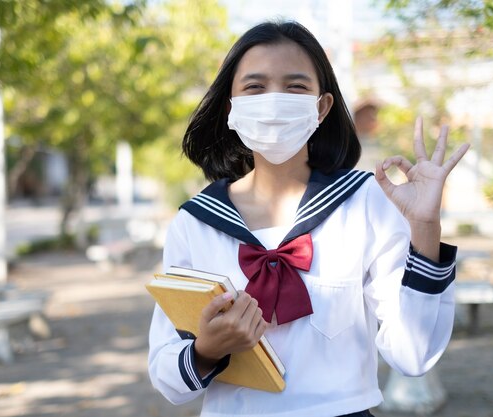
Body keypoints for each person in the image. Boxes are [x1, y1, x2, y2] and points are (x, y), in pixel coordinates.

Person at [147, 20, 469, 417]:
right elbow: (166, 376)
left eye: (295, 86)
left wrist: (425, 228)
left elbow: (413, 356)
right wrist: (206, 350)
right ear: (231, 109)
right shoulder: (195, 223)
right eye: (255, 87)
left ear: (322, 107)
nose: (274, 99)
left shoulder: (364, 202)